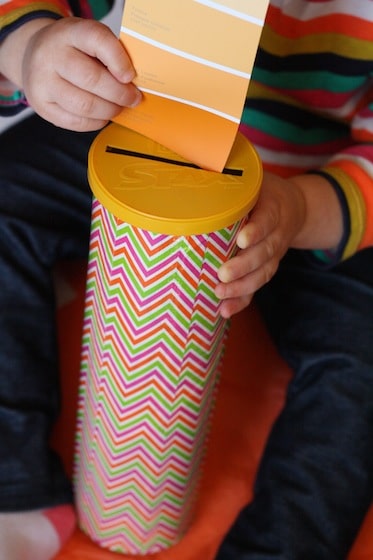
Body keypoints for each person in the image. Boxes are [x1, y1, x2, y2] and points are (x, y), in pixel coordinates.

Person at [0, 0, 371, 559]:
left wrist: (300, 210)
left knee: (362, 360)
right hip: (145, 147)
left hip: (316, 191)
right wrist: (31, 47)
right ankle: (13, 480)